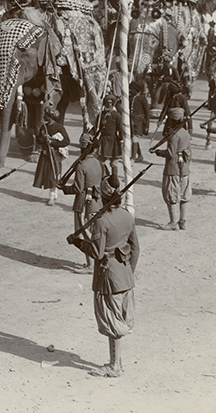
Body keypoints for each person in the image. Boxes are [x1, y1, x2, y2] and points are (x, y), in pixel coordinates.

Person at [68, 174, 139, 378]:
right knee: (119, 319)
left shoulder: (102, 221)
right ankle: (117, 362)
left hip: (108, 277)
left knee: (112, 320)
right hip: (124, 275)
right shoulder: (127, 215)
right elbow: (136, 248)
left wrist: (78, 243)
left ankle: (114, 366)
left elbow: (97, 253)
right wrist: (128, 271)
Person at [153, 107, 191, 230]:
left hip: (173, 168)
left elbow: (170, 153)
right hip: (184, 168)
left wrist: (158, 152)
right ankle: (183, 221)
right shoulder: (185, 133)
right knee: (185, 195)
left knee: (171, 195)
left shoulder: (173, 135)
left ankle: (173, 222)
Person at [72, 134, 103, 271]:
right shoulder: (99, 163)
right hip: (98, 201)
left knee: (85, 233)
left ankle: (91, 264)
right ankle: (92, 263)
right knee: (93, 232)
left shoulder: (82, 165)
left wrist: (65, 188)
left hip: (84, 203)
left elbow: (78, 188)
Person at [34, 107, 70, 205]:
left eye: (45, 115)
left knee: (53, 175)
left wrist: (53, 142)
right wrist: (44, 140)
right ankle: (54, 194)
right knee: (46, 174)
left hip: (55, 155)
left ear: (50, 117)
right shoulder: (43, 127)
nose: (43, 116)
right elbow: (38, 139)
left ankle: (52, 196)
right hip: (45, 154)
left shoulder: (59, 127)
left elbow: (66, 141)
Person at [98, 96, 122, 168]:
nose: (109, 105)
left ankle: (114, 178)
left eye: (111, 103)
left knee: (114, 162)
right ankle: (102, 176)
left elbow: (120, 128)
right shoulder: (100, 115)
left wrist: (122, 138)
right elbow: (96, 126)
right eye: (107, 103)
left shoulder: (117, 115)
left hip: (114, 140)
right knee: (100, 161)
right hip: (104, 139)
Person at [130, 80, 151, 162]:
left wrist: (147, 126)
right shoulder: (131, 98)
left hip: (139, 121)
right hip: (131, 120)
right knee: (133, 138)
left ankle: (133, 157)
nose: (131, 90)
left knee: (135, 138)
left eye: (132, 89)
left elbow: (147, 113)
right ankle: (140, 155)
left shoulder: (143, 99)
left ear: (136, 90)